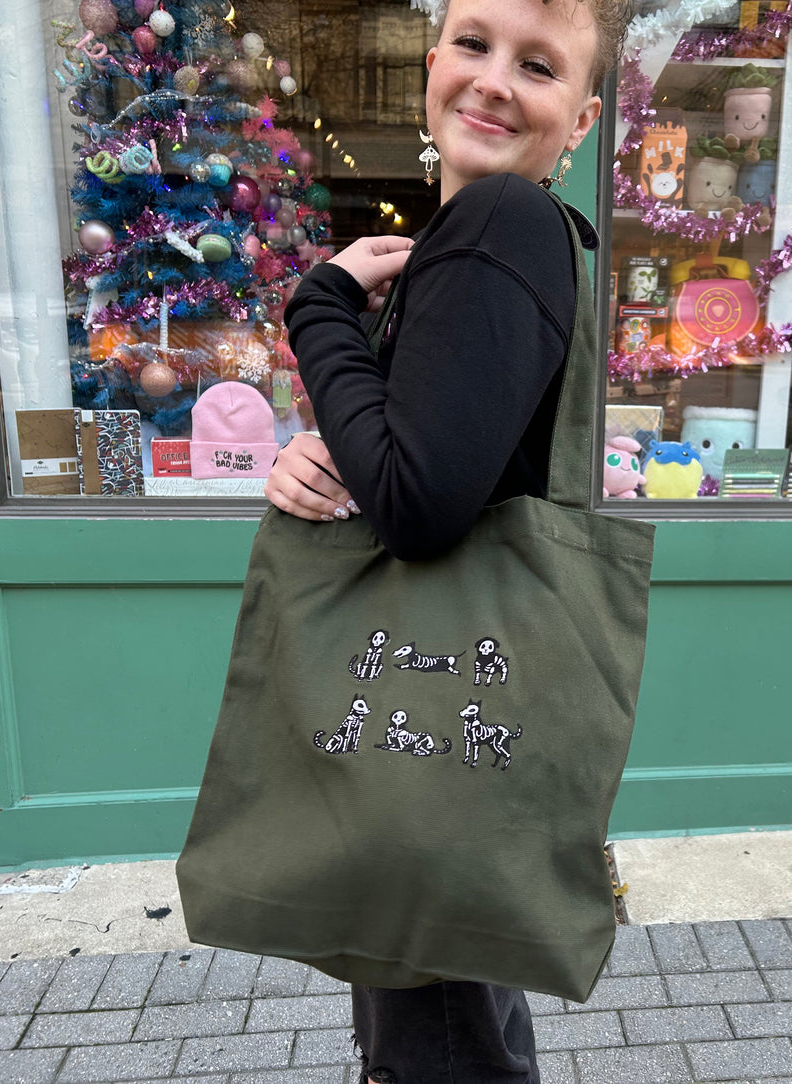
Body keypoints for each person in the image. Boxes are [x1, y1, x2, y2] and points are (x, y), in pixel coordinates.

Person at [270, 0, 631, 1079]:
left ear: (579, 118)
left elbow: (417, 505)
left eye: (536, 65)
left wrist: (320, 305)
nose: (492, 81)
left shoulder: (500, 225)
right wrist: (318, 453)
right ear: (431, 65)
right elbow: (419, 462)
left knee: (435, 1050)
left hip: (419, 721)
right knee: (462, 1027)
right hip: (454, 710)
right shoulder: (495, 240)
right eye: (471, 44)